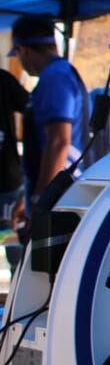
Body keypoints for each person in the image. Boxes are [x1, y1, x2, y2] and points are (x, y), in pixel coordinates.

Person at [6, 15, 89, 233]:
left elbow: (58, 142)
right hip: (58, 193)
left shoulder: (55, 77)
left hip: (61, 197)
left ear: (23, 50)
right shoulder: (57, 75)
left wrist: (41, 200)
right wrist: (27, 197)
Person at [0, 68, 29, 273]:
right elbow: (33, 109)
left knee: (15, 248)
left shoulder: (3, 80)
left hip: (7, 179)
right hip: (7, 176)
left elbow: (33, 109)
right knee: (15, 250)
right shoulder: (3, 79)